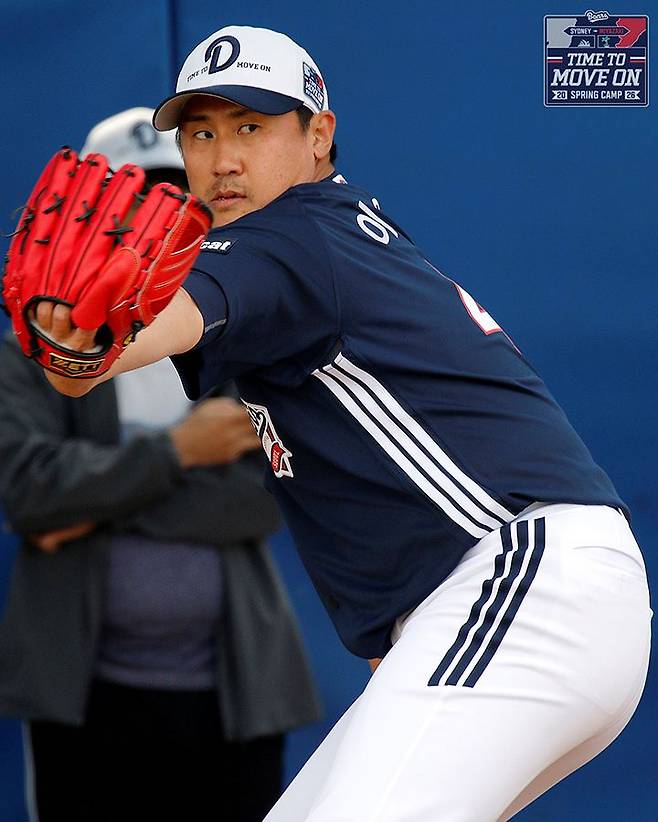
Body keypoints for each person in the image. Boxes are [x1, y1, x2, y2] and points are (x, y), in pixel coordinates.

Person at [8, 25, 652, 822]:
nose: (223, 157)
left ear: (319, 134)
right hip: (520, 599)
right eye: (202, 132)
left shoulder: (289, 238)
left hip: (529, 581)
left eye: (251, 126)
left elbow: (158, 325)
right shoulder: (332, 238)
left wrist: (84, 346)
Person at [0, 106, 321, 822]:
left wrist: (89, 504)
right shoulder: (30, 349)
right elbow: (30, 493)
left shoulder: (246, 334)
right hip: (81, 696)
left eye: (178, 200)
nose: (157, 226)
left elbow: (261, 500)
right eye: (137, 200)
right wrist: (182, 450)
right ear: (86, 214)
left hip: (231, 693)